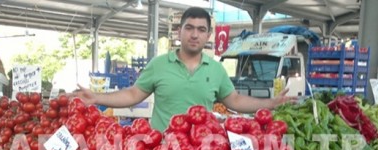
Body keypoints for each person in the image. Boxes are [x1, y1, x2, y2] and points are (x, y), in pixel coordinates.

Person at [72, 7, 295, 132]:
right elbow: (132, 94)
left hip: (202, 148)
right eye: (189, 28)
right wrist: (96, 97)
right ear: (179, 32)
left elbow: (234, 101)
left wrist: (270, 103)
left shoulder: (216, 70)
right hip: (161, 146)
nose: (194, 34)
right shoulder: (158, 65)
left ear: (208, 35)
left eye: (201, 29)